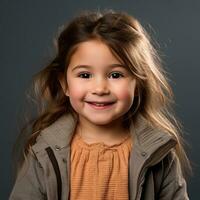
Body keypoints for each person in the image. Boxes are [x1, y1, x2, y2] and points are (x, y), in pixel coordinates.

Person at [9, 9, 192, 200]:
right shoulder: (44, 152)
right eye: (85, 75)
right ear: (65, 84)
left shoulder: (160, 155)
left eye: (116, 75)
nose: (100, 88)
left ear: (137, 83)